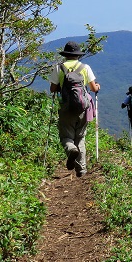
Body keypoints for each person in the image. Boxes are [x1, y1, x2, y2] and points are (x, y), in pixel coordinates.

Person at [49, 41, 100, 177]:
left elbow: (52, 89)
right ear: (78, 55)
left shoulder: (59, 68)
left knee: (66, 136)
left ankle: (71, 149)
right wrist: (97, 87)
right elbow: (93, 88)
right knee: (80, 138)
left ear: (65, 54)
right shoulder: (85, 67)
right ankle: (81, 169)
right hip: (82, 108)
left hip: (66, 108)